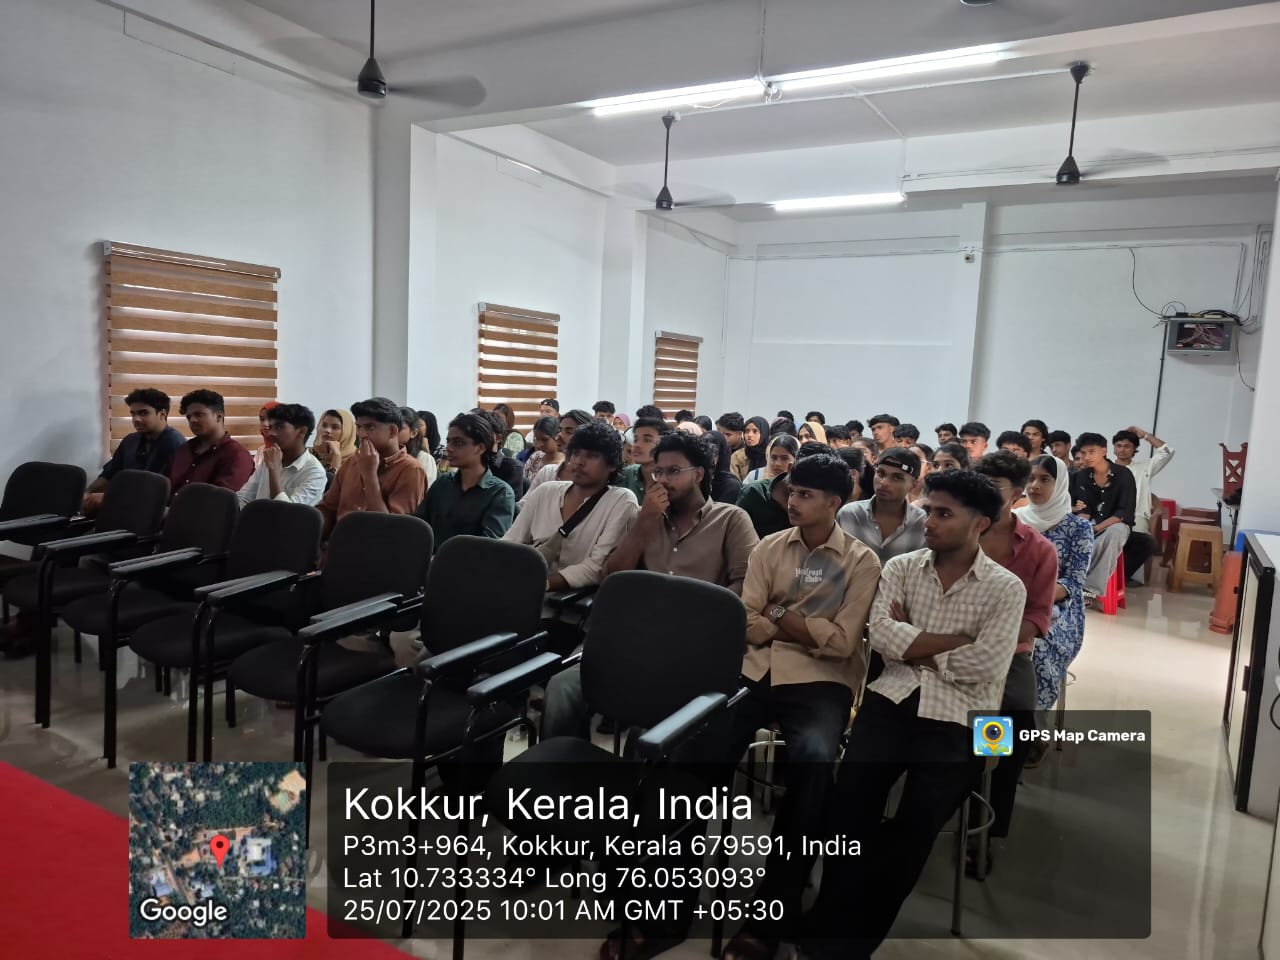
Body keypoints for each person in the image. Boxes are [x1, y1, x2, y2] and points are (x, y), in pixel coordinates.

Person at [799, 470, 1024, 960]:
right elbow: (881, 635)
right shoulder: (902, 567)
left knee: (915, 829)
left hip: (963, 716)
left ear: (980, 524)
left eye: (944, 514)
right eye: (929, 510)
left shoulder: (1006, 588)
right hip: (892, 698)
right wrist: (955, 643)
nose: (929, 522)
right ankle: (828, 921)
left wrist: (916, 644)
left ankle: (848, 943)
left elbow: (987, 664)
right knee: (847, 813)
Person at [719, 455, 882, 960]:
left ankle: (770, 916)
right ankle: (663, 907)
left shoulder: (862, 562)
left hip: (820, 681)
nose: (792, 502)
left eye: (806, 495)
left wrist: (777, 613)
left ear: (835, 502)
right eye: (791, 492)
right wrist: (801, 625)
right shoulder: (769, 547)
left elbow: (842, 642)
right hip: (755, 669)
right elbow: (748, 622)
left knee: (813, 767)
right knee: (693, 751)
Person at [544, 431, 759, 738]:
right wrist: (644, 522)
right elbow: (612, 579)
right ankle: (567, 762)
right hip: (633, 638)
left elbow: (745, 586)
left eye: (674, 471)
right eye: (658, 472)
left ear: (698, 474)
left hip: (693, 645)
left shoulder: (731, 520)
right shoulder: (645, 518)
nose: (664, 481)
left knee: (649, 729)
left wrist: (702, 621)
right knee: (561, 687)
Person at [971, 452, 1058, 858]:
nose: (984, 493)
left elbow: (1038, 616)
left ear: (1017, 494)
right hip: (941, 648)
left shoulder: (1038, 550)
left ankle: (985, 830)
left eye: (995, 487)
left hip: (1006, 657)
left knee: (1011, 721)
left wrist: (990, 644)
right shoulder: (952, 533)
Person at [504, 420, 638, 610]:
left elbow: (595, 568)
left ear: (611, 464)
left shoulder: (621, 501)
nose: (579, 462)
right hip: (518, 595)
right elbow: (510, 543)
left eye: (591, 456)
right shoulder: (546, 491)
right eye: (575, 453)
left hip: (567, 610)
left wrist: (542, 584)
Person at [1017, 455, 1093, 712]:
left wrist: (1034, 596)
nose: (1034, 486)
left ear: (1060, 484)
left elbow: (1073, 582)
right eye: (1030, 479)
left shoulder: (1078, 528)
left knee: (1036, 647)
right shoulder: (1015, 519)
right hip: (1011, 600)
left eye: (1045, 479)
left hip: (1059, 607)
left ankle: (1032, 722)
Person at [317, 397, 425, 540]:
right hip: (338, 546)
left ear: (392, 431)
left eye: (370, 427)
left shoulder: (411, 470)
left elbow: (390, 531)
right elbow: (327, 508)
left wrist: (369, 475)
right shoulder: (353, 461)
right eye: (359, 427)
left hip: (376, 550)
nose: (361, 434)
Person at [414, 412, 515, 551]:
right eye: (448, 441)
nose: (449, 448)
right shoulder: (443, 483)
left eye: (458, 443)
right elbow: (419, 526)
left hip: (468, 563)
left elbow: (488, 547)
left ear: (480, 447)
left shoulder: (500, 493)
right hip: (430, 559)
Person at [82, 388, 186, 515]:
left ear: (162, 414)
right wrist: (87, 493)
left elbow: (154, 491)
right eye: (133, 414)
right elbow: (109, 475)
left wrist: (109, 497)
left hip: (153, 513)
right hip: (125, 507)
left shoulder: (175, 444)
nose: (136, 419)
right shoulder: (130, 441)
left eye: (143, 413)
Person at [1071, 432, 1138, 597]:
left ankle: (1089, 590)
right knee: (1071, 531)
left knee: (1113, 533)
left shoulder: (1123, 475)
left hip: (1115, 524)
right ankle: (1068, 582)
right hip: (1091, 523)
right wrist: (1083, 527)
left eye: (1091, 452)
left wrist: (1096, 528)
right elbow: (1084, 510)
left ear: (1104, 451)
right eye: (1084, 453)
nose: (1087, 457)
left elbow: (1123, 512)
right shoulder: (1082, 476)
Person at [836, 448, 927, 564]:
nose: (884, 482)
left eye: (897, 477)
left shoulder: (922, 523)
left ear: (913, 485)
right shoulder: (849, 514)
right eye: (880, 473)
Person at [236, 403, 327, 507]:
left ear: (301, 432)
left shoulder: (315, 473)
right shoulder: (269, 459)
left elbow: (286, 513)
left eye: (279, 427)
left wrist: (274, 471)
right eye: (271, 427)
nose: (271, 433)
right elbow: (244, 498)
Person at [169, 390, 255, 497]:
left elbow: (219, 500)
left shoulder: (237, 455)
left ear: (219, 416)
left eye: (198, 414)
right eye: (189, 417)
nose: (192, 420)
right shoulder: (183, 450)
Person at [1112, 425, 1173, 553]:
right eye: (1119, 445)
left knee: (1137, 552)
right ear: (1114, 448)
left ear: (1134, 449)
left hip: (1137, 517)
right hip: (1109, 517)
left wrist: (1144, 435)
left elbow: (1167, 451)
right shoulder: (1105, 467)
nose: (1122, 449)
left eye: (1127, 446)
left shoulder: (1144, 468)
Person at [522, 409, 593, 504]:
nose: (559, 436)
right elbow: (525, 504)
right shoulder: (547, 472)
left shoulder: (593, 478)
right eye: (559, 430)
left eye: (569, 432)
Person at [618, 417, 671, 501]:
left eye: (647, 440)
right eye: (636, 440)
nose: (637, 445)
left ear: (663, 443)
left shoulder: (670, 479)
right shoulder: (625, 475)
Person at [480, 411, 525, 495]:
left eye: (483, 433)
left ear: (498, 438)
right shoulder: (471, 462)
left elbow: (510, 501)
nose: (478, 438)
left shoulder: (511, 467)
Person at [312, 408, 358, 489]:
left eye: (335, 427)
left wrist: (336, 456)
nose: (327, 430)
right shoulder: (310, 454)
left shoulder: (357, 459)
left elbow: (336, 489)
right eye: (324, 425)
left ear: (347, 431)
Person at [401, 407, 438, 490]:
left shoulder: (424, 458)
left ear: (414, 432)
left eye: (400, 427)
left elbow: (424, 491)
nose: (395, 431)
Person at [522, 416, 564, 485]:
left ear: (557, 436)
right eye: (537, 439)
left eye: (545, 439)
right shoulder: (535, 457)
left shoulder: (564, 465)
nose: (540, 444)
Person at [706, 430, 742, 505]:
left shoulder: (731, 485)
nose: (707, 456)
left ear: (721, 454)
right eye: (704, 451)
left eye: (713, 453)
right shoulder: (696, 478)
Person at [730, 416, 771, 481]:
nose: (749, 435)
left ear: (764, 433)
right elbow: (734, 482)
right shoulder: (737, 456)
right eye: (747, 431)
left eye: (755, 431)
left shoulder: (771, 455)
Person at [251, 401, 280, 468]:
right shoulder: (261, 450)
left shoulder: (288, 452)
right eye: (262, 419)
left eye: (270, 419)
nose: (265, 424)